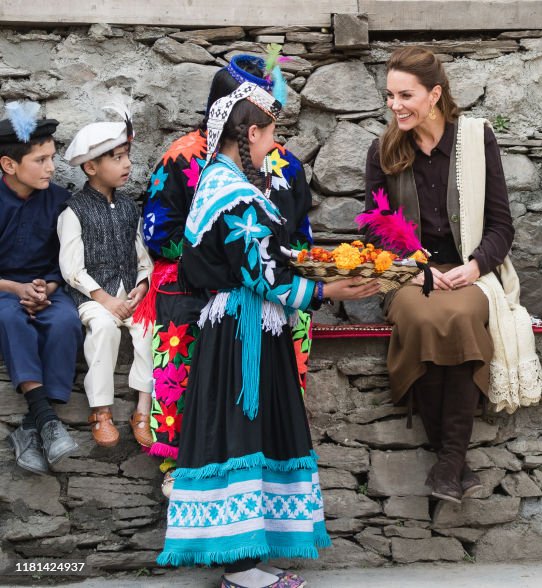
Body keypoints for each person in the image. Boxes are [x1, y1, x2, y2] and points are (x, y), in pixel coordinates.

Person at [157, 81, 379, 588]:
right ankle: (239, 569)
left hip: (240, 325)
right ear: (251, 133)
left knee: (243, 432)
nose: (275, 146)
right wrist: (329, 292)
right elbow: (264, 276)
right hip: (244, 332)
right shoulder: (234, 195)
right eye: (272, 135)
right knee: (242, 430)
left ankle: (247, 556)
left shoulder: (218, 181)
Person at [364, 46, 542, 504]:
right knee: (423, 319)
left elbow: (502, 225)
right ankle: (454, 465)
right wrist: (418, 266)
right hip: (408, 273)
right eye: (390, 96)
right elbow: (375, 228)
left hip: (470, 270)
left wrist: (475, 266)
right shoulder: (383, 150)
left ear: (435, 93)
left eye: (405, 95)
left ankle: (447, 463)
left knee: (461, 317)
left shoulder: (476, 140)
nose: (395, 105)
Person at [138, 54, 315, 495]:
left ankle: (266, 450)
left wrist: (296, 268)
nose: (274, 134)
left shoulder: (285, 164)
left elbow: (299, 231)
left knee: (294, 324)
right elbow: (158, 234)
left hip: (268, 282)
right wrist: (222, 257)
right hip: (197, 282)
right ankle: (187, 464)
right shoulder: (180, 159)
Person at [59, 101, 154, 448]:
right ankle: (101, 411)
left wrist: (141, 287)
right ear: (90, 167)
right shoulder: (74, 210)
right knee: (102, 329)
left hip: (128, 293)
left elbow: (143, 256)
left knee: (146, 330)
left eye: (127, 155)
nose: (127, 164)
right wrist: (105, 300)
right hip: (92, 298)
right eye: (116, 157)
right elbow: (72, 269)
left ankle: (143, 410)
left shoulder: (130, 208)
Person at [0, 101, 81, 475]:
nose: (52, 167)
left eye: (52, 157)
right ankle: (48, 420)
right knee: (12, 320)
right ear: (9, 164)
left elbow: (63, 258)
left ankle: (32, 428)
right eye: (41, 160)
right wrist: (16, 290)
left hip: (46, 288)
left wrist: (46, 288)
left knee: (65, 322)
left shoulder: (60, 201)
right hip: (3, 290)